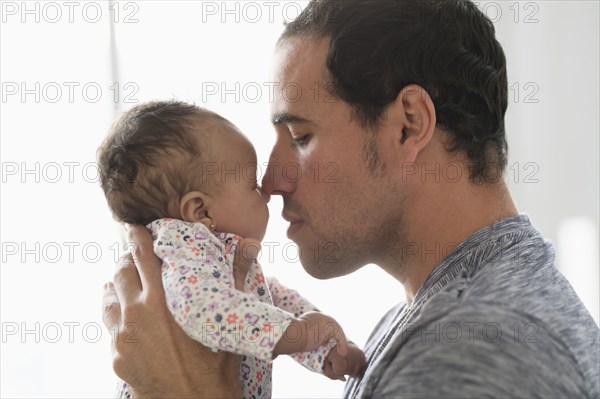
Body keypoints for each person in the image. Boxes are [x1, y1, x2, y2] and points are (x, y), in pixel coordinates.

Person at [102, 0, 600, 398]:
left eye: (299, 136)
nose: (271, 181)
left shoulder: (476, 349)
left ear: (409, 124)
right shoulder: (416, 320)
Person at [97, 101, 365, 398]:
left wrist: (325, 349)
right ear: (201, 211)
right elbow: (205, 312)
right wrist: (299, 335)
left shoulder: (211, 258)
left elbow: (270, 303)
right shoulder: (182, 248)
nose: (266, 190)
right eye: (252, 184)